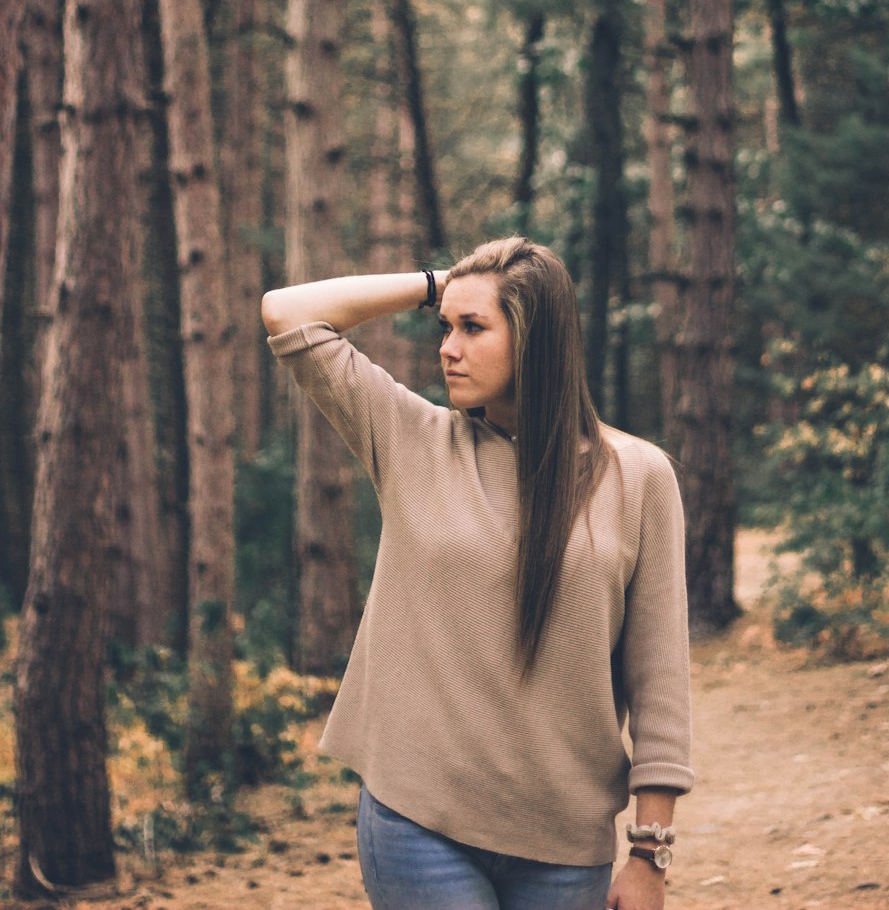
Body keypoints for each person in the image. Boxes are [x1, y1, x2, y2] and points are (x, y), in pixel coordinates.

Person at [261, 236, 693, 910]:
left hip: (565, 840)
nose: (447, 348)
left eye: (473, 327)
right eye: (445, 327)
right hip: (418, 822)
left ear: (536, 338)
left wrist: (649, 855)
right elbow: (288, 314)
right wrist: (442, 283)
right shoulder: (414, 441)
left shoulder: (638, 477)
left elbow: (660, 679)